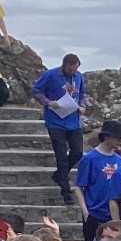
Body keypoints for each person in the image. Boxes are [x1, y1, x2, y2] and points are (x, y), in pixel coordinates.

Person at [32, 54, 87, 205]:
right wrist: (49, 102)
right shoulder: (50, 75)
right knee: (61, 157)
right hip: (55, 121)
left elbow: (82, 94)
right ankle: (66, 191)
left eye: (75, 69)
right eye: (70, 69)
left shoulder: (79, 77)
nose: (73, 72)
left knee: (77, 152)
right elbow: (36, 91)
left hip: (73, 121)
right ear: (64, 65)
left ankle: (59, 175)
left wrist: (82, 105)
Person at [74, 120, 121, 241]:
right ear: (107, 137)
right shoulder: (89, 158)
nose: (120, 141)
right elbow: (79, 186)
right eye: (117, 137)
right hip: (94, 212)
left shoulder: (120, 160)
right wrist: (85, 211)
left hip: (113, 212)